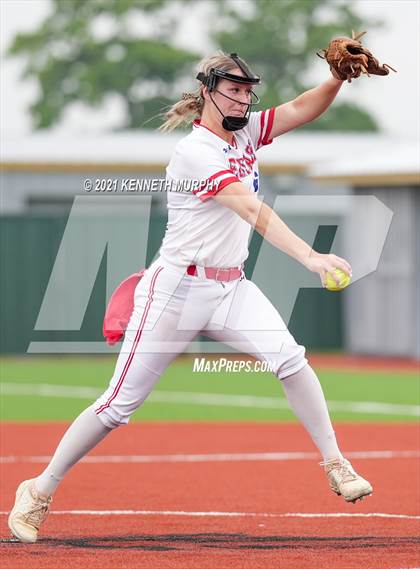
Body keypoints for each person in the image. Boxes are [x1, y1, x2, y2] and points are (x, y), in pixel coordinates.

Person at [8, 51, 372, 544]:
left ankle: (335, 462)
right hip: (176, 290)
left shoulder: (245, 131)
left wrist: (334, 79)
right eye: (234, 90)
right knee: (118, 406)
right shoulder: (196, 152)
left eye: (248, 91)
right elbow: (250, 208)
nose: (244, 98)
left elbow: (303, 108)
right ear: (208, 91)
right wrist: (310, 257)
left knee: (290, 359)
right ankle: (38, 490)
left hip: (231, 287)